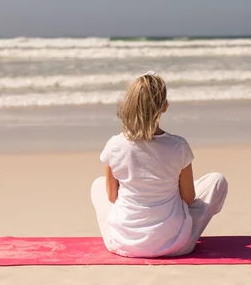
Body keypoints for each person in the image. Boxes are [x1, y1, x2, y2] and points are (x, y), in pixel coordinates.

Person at [90, 71, 228, 258]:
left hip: (123, 244)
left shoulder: (115, 145)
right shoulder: (178, 146)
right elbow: (188, 199)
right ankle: (171, 228)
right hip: (175, 244)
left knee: (98, 185)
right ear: (164, 107)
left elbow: (112, 196)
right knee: (216, 181)